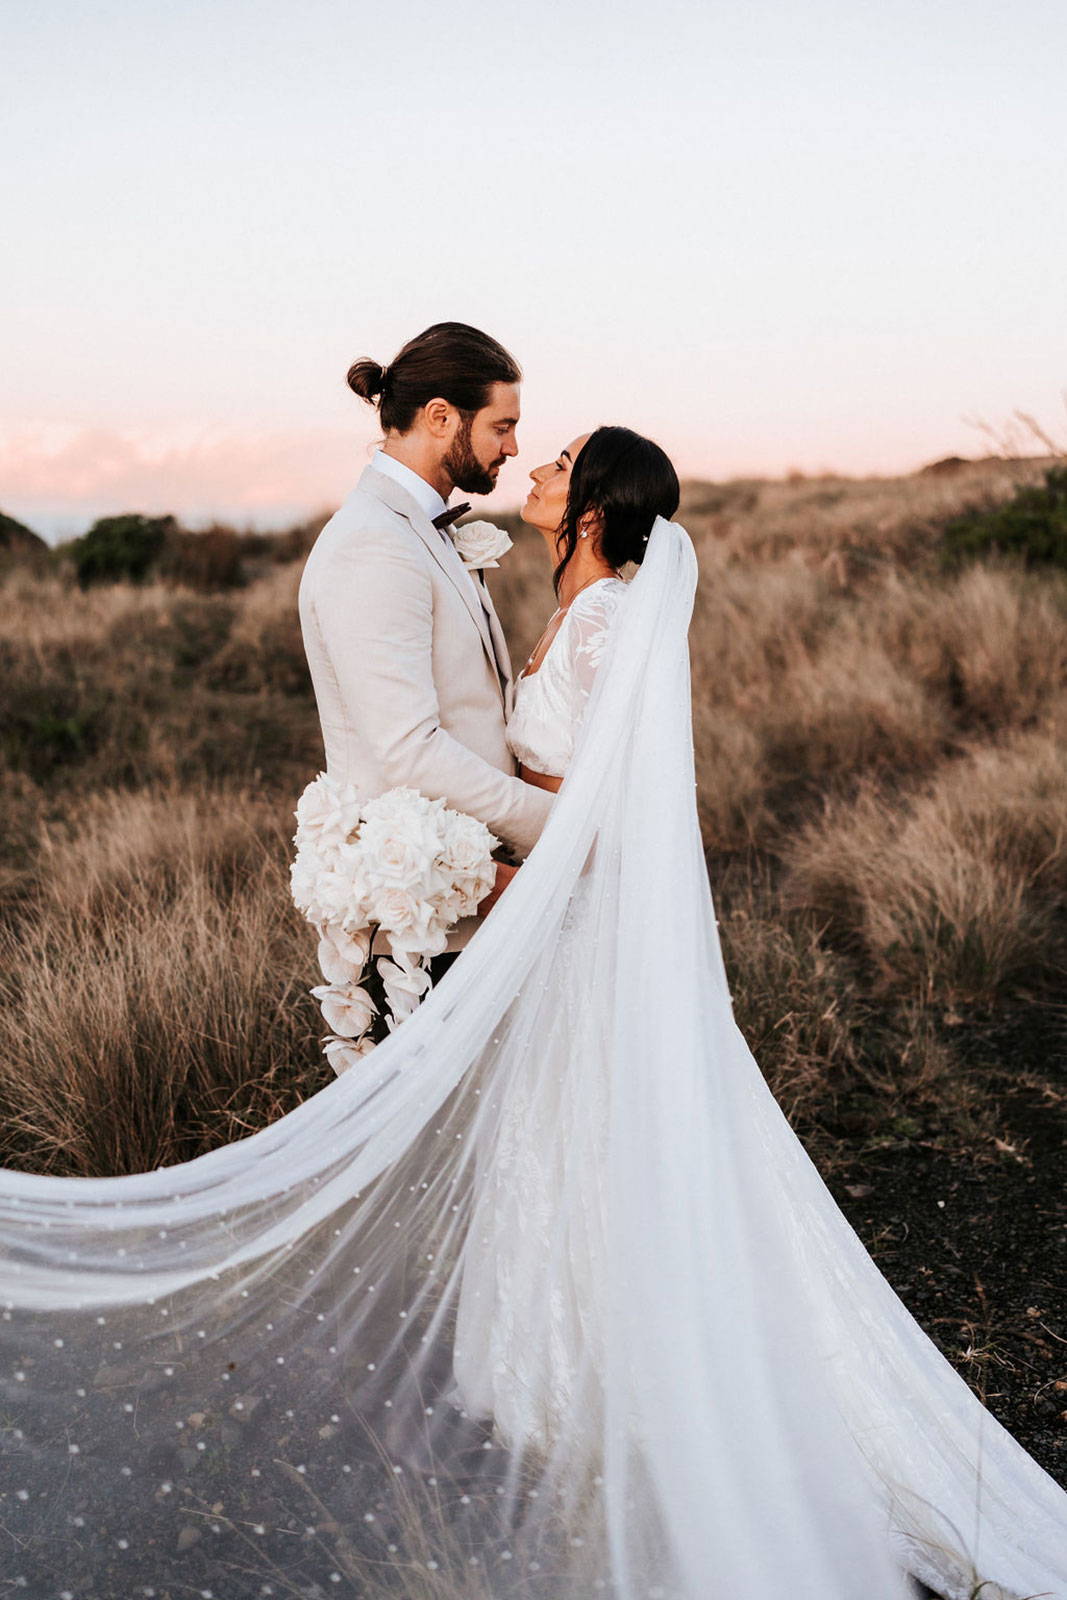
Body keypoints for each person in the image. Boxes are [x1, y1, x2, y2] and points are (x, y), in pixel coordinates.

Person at [1, 425, 1065, 1600]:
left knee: (597, 1132)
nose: (535, 471)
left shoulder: (608, 619)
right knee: (566, 1136)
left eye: (556, 464)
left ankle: (614, 1385)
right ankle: (554, 1368)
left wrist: (490, 871)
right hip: (554, 925)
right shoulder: (572, 611)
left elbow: (617, 802)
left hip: (576, 922)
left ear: (594, 508)